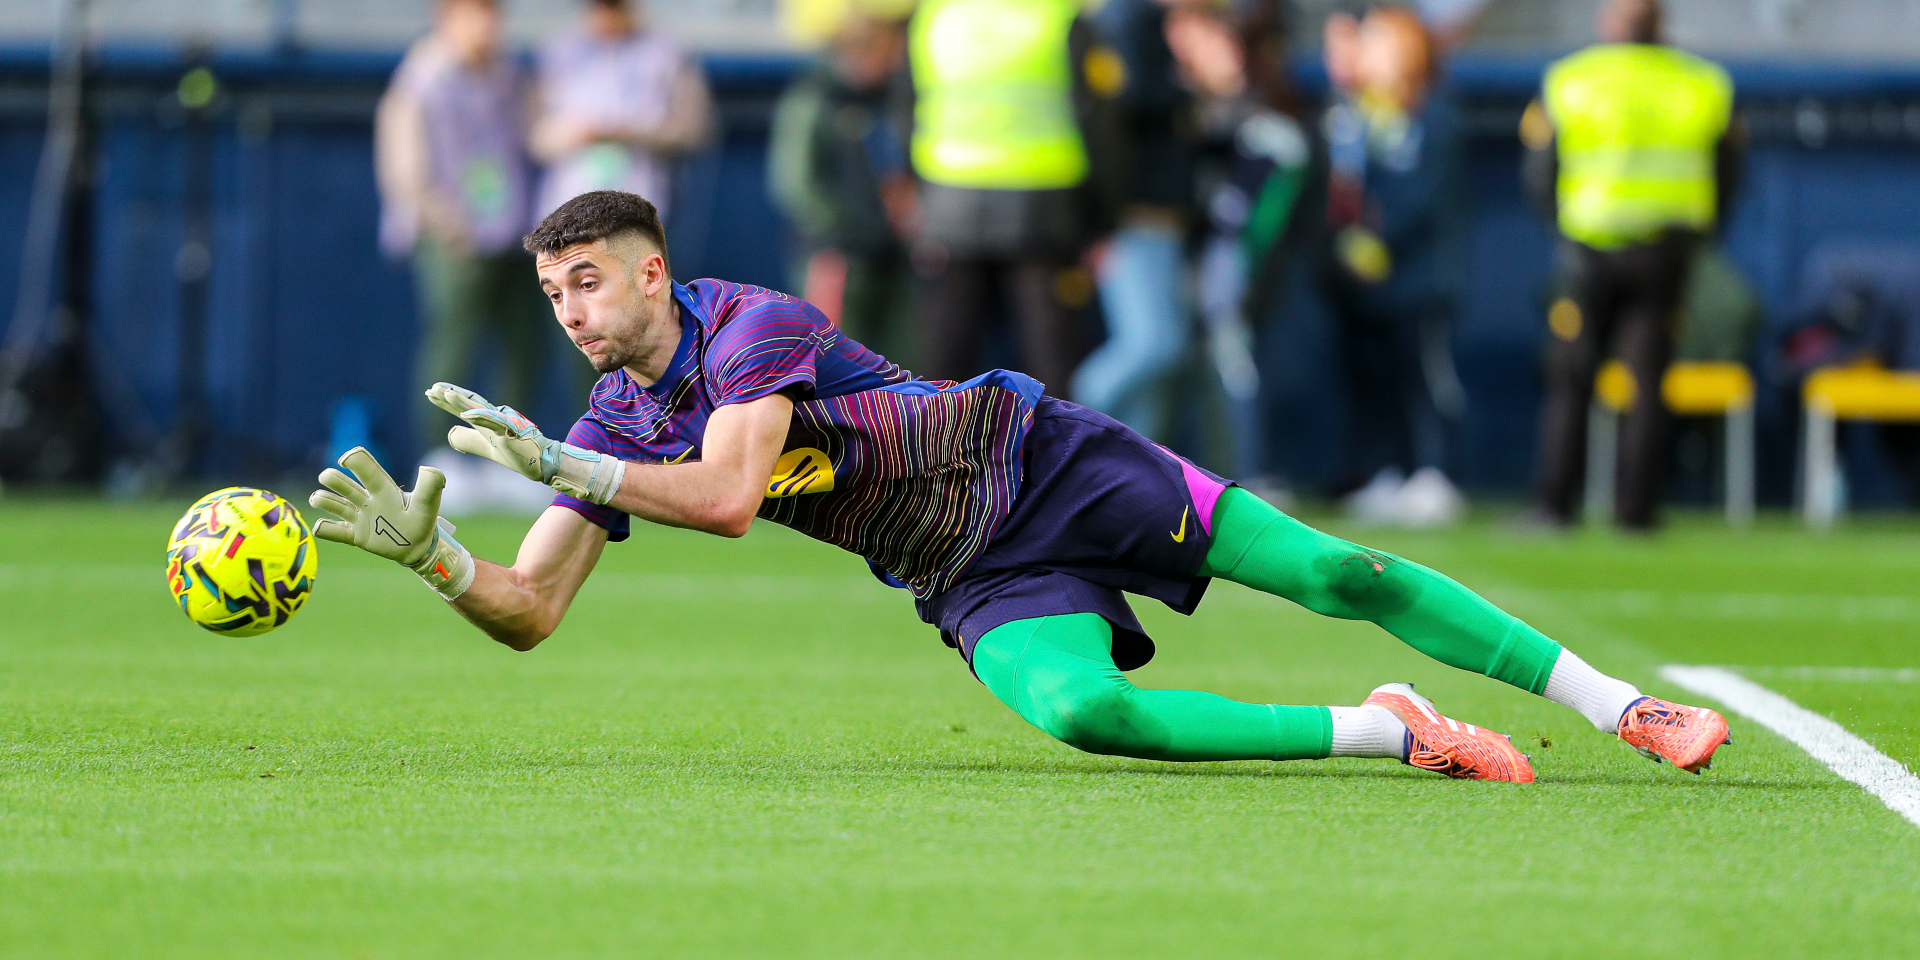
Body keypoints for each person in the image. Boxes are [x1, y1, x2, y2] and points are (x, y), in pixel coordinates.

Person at [307, 189, 1732, 783]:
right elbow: (533, 608)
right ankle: (1390, 733)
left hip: (1039, 458)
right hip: (965, 566)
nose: (569, 309)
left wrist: (564, 461)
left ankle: (1623, 706)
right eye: (552, 291)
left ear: (653, 272)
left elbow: (734, 494)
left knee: (1337, 574)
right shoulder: (617, 414)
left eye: (587, 281)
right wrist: (439, 566)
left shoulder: (751, 330)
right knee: (1082, 712)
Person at [1522, 0, 1741, 531]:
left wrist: (1563, 228)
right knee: (1649, 383)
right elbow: (1730, 167)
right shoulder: (1703, 83)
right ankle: (1636, 511)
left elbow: (1538, 169)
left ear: (1608, 25)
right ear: (1661, 25)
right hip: (1666, 253)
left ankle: (1554, 507)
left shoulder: (1571, 80)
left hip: (1588, 250)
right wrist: (1699, 236)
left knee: (1572, 379)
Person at [902, 0, 1120, 392]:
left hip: (950, 209)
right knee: (1052, 366)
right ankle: (1052, 454)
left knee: (944, 369)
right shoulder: (1058, 18)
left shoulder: (934, 17)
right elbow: (1098, 122)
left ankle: (933, 453)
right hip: (1043, 213)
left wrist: (920, 199)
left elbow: (906, 109)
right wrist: (1102, 221)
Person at [375, 0, 554, 464]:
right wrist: (448, 223)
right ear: (447, 17)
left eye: (494, 14)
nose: (488, 25)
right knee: (454, 347)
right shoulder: (422, 78)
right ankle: (442, 456)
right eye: (476, 13)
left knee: (523, 347)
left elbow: (528, 142)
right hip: (453, 238)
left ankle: (513, 459)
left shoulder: (510, 74)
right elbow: (405, 168)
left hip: (514, 233)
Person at [1318, 5, 1468, 528]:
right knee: (1375, 381)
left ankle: (1437, 473)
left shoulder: (1437, 116)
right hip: (1369, 288)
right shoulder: (1356, 116)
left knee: (1426, 380)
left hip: (1425, 279)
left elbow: (1420, 199)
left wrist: (1375, 243)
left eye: (1378, 42)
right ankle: (1389, 471)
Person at [767, 11, 917, 365]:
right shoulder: (813, 100)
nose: (895, 62)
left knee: (903, 364)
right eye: (887, 53)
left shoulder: (890, 100)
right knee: (835, 366)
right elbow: (795, 186)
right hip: (837, 257)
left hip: (893, 256)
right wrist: (863, 224)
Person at [530, 0, 712, 222]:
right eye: (600, 7)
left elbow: (692, 130)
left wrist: (630, 133)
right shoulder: (558, 53)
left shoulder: (667, 53)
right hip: (569, 209)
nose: (607, 15)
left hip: (642, 207)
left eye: (614, 7)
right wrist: (576, 134)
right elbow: (535, 138)